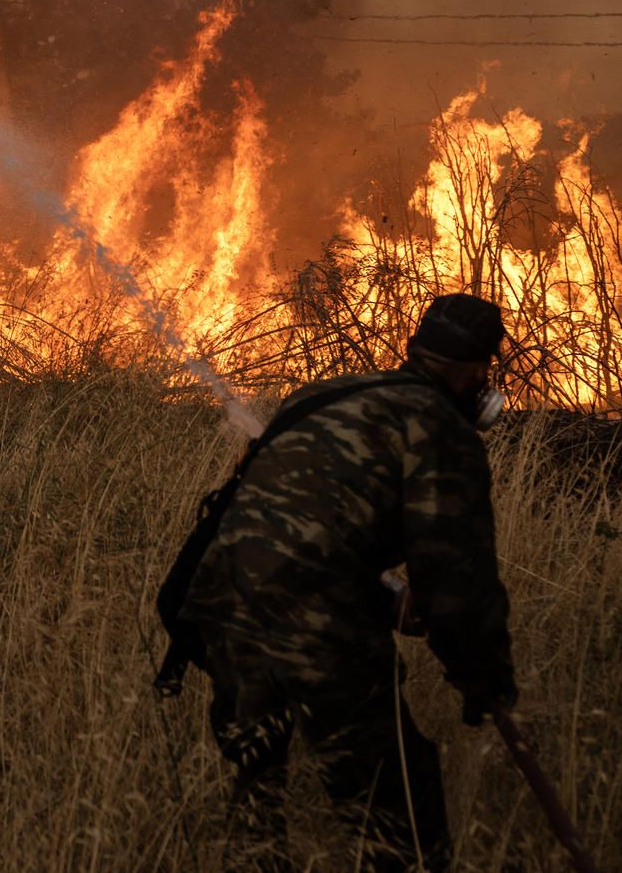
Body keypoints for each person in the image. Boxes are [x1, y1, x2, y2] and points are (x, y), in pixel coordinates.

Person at [178, 293, 517, 871]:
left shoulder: (323, 393)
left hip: (221, 599)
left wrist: (386, 600)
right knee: (396, 803)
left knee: (255, 791)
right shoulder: (442, 429)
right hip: (315, 617)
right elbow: (455, 580)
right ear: (476, 372)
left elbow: (298, 527)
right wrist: (485, 682)